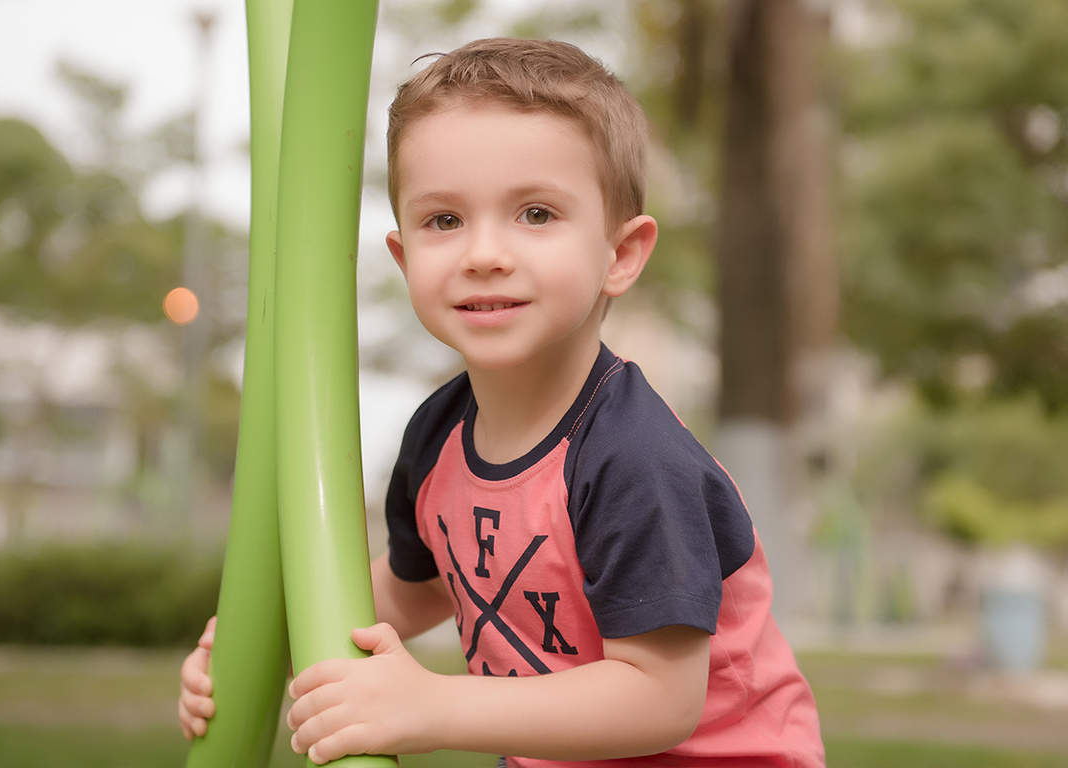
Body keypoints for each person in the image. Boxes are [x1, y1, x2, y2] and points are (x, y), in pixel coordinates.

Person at [179, 37, 824, 767]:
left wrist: (432, 704)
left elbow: (660, 699)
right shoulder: (438, 435)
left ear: (621, 255)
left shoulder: (634, 459)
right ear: (403, 256)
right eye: (444, 221)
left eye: (537, 214)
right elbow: (412, 592)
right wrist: (246, 651)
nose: (484, 253)